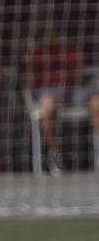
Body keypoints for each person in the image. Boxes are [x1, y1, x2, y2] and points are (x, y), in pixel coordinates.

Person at [23, 18, 99, 175]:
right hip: (47, 93)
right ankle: (54, 155)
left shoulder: (71, 53)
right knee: (49, 104)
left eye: (55, 33)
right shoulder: (37, 54)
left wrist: (65, 91)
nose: (52, 36)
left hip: (70, 92)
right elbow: (28, 79)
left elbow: (77, 77)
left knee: (97, 103)